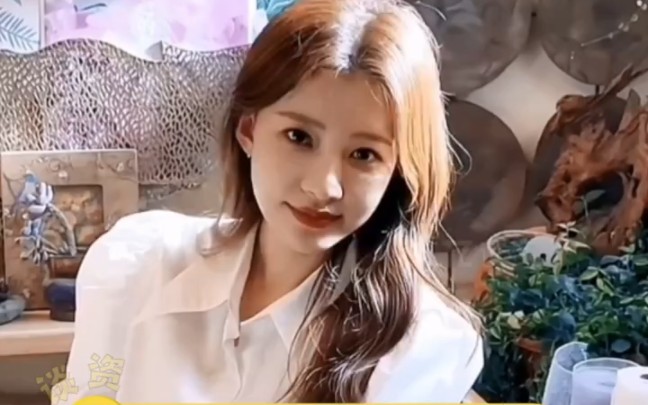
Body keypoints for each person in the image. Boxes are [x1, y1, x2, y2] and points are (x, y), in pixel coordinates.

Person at [56, 0, 483, 402]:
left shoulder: (421, 346)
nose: (323, 187)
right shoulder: (136, 266)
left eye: (364, 155)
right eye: (299, 137)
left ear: (399, 169)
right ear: (249, 130)